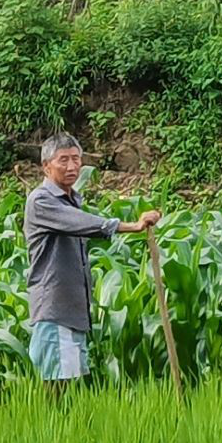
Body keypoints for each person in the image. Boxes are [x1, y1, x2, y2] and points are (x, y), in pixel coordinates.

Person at [24, 133, 158, 392]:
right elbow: (81, 223)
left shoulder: (72, 199)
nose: (72, 166)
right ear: (46, 166)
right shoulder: (41, 200)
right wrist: (131, 226)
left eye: (76, 159)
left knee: (70, 384)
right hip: (54, 309)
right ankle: (48, 432)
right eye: (63, 160)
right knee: (56, 385)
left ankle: (65, 432)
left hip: (72, 310)